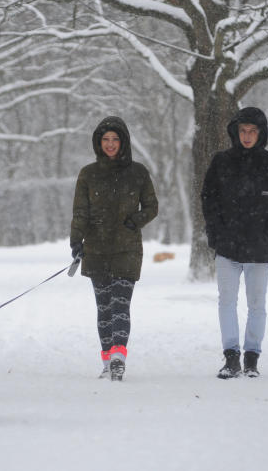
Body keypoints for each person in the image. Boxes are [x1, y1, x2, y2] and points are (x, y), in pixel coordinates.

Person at [201, 106, 268, 379]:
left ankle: (252, 358)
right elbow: (209, 199)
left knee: (257, 304)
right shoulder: (221, 162)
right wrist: (216, 236)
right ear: (236, 133)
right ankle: (231, 358)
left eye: (253, 131)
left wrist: (267, 239)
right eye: (243, 131)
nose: (247, 136)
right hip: (227, 247)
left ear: (260, 133)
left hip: (259, 249)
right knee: (226, 302)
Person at [70, 116, 158, 381]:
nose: (110, 144)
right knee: (104, 308)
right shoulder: (88, 174)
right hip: (96, 249)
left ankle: (119, 356)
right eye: (105, 139)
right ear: (99, 142)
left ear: (123, 142)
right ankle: (107, 360)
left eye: (115, 139)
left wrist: (134, 221)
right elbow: (80, 212)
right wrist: (76, 241)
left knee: (120, 304)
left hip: (127, 249)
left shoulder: (138, 172)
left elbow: (152, 207)